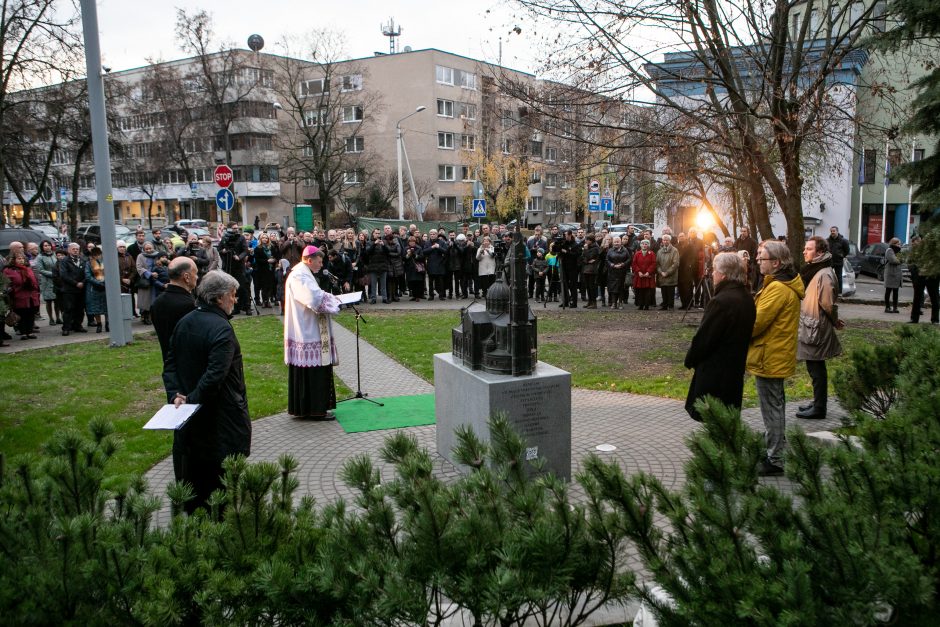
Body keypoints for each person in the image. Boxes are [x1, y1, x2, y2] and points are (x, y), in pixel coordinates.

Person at [162, 270, 251, 515]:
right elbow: (215, 376)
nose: (235, 300)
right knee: (217, 485)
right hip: (219, 420)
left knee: (194, 479)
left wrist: (177, 396)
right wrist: (188, 398)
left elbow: (170, 365)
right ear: (220, 297)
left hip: (190, 419)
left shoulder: (186, 321)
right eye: (233, 295)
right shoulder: (221, 329)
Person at [747, 240, 805, 476]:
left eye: (762, 258)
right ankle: (775, 449)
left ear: (776, 263)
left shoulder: (778, 289)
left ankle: (775, 458)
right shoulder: (777, 285)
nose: (758, 261)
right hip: (772, 354)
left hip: (769, 357)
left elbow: (756, 323)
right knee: (775, 406)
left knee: (771, 409)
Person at [684, 252, 756, 421]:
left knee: (715, 419)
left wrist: (690, 359)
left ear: (723, 275)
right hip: (735, 368)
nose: (712, 274)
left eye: (714, 270)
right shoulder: (746, 297)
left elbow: (705, 338)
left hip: (716, 370)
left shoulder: (721, 301)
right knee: (727, 419)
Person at [284, 245, 341, 420]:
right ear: (310, 260)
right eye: (319, 260)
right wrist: (334, 300)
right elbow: (313, 298)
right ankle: (315, 409)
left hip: (308, 327)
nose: (321, 264)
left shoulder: (304, 273)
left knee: (310, 370)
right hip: (307, 331)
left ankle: (309, 408)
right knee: (313, 371)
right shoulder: (300, 275)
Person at [796, 236, 844, 420]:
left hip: (816, 327)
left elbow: (828, 304)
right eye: (805, 248)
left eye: (808, 249)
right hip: (812, 325)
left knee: (816, 368)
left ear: (820, 253)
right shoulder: (816, 270)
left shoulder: (823, 273)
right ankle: (817, 402)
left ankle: (819, 407)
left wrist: (835, 320)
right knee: (814, 367)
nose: (804, 251)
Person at [151, 257, 198, 360]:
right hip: (187, 364)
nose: (197, 277)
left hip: (168, 362)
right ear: (186, 277)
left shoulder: (157, 302)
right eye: (196, 273)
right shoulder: (188, 305)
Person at [3, 251, 40, 340]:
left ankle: (30, 332)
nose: (21, 260)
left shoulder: (28, 268)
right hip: (19, 296)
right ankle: (23, 332)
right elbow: (7, 284)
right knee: (21, 315)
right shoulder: (8, 270)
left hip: (31, 295)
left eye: (22, 258)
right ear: (13, 260)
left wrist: (32, 284)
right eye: (19, 259)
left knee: (31, 314)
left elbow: (35, 280)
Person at [58, 242, 88, 335]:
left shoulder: (83, 260)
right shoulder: (64, 261)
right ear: (69, 250)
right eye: (73, 249)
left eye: (77, 249)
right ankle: (66, 327)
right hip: (69, 289)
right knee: (68, 309)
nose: (75, 250)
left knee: (80, 309)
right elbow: (63, 275)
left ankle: (78, 325)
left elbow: (87, 273)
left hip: (81, 289)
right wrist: (75, 283)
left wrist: (83, 282)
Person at [35, 240, 61, 326]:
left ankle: (58, 318)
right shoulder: (40, 257)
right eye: (45, 245)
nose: (47, 247)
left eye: (48, 245)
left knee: (57, 300)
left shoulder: (54, 254)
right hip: (47, 281)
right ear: (42, 247)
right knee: (49, 301)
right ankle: (51, 319)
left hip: (56, 280)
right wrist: (53, 274)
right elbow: (40, 270)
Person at [84, 246, 107, 333]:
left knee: (106, 307)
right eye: (95, 255)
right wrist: (98, 283)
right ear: (92, 255)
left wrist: (105, 282)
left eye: (99, 254)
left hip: (105, 287)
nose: (97, 256)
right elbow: (88, 276)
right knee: (96, 308)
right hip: (94, 288)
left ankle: (107, 323)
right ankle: (99, 324)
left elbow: (109, 272)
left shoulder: (105, 262)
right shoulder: (89, 263)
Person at [656, 234, 680, 310]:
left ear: (670, 241)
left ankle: (671, 306)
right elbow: (657, 264)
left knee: (670, 291)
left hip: (671, 275)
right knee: (663, 291)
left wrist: (667, 272)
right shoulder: (659, 251)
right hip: (662, 275)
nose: (665, 241)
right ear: (662, 241)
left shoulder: (675, 250)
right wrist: (661, 272)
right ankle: (664, 305)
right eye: (664, 240)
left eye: (667, 240)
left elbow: (675, 263)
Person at [605, 236, 630, 309]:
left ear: (620, 242)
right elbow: (607, 259)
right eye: (615, 242)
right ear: (613, 242)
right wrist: (612, 265)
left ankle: (620, 303)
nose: (616, 243)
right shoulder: (610, 250)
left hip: (622, 272)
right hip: (612, 272)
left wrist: (623, 264)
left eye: (618, 242)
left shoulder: (625, 250)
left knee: (621, 288)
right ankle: (613, 303)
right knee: (613, 288)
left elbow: (629, 259)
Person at [632, 239, 657, 310]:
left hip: (648, 276)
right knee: (639, 291)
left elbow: (653, 263)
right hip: (639, 276)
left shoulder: (652, 253)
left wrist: (648, 272)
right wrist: (638, 271)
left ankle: (646, 305)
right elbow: (634, 264)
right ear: (641, 245)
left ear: (648, 245)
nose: (644, 245)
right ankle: (640, 305)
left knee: (647, 291)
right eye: (643, 244)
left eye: (646, 244)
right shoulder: (637, 253)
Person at [826, 226, 851, 296]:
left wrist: (842, 256)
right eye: (831, 231)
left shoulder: (843, 241)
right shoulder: (827, 240)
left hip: (838, 261)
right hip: (829, 261)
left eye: (834, 231)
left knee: (838, 277)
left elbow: (847, 250)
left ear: (837, 231)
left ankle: (839, 292)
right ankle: (829, 291)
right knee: (828, 276)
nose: (832, 232)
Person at [883, 237, 903, 313]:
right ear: (893, 243)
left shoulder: (899, 251)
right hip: (890, 274)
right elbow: (894, 260)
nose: (899, 245)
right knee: (888, 291)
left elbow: (903, 259)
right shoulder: (889, 250)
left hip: (897, 274)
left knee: (896, 292)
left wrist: (900, 259)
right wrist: (900, 260)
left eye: (900, 244)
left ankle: (895, 307)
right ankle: (887, 307)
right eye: (898, 244)